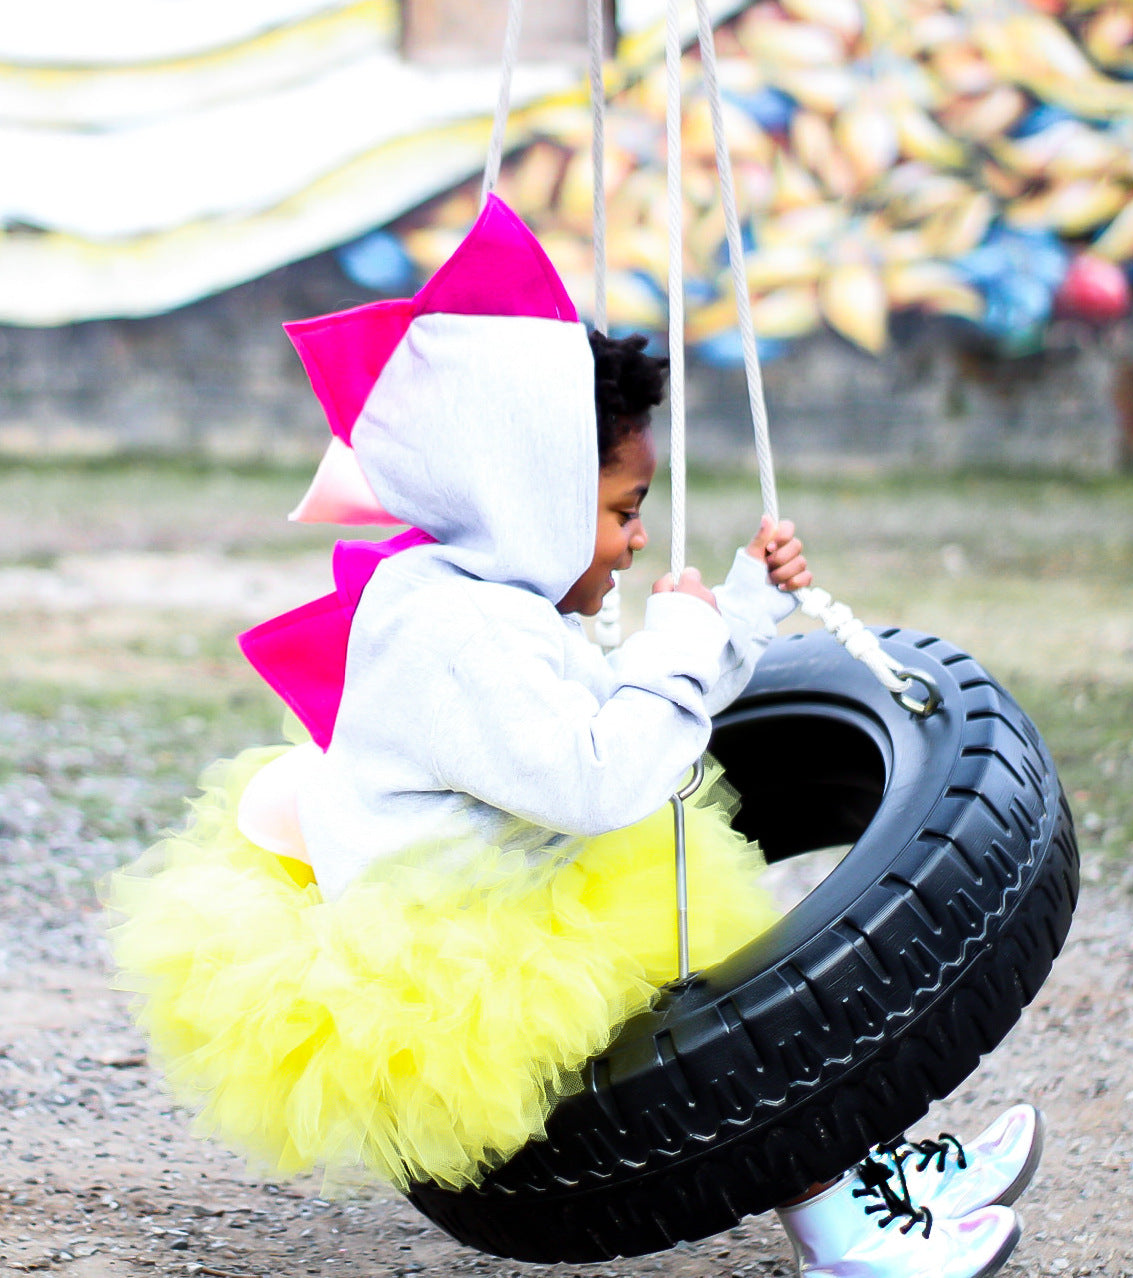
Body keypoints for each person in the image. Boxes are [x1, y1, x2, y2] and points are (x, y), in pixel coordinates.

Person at [107, 197, 1039, 1278]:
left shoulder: (490, 590)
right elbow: (597, 778)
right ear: (530, 496)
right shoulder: (452, 630)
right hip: (458, 951)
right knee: (714, 994)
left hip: (509, 880)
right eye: (623, 510)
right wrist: (680, 641)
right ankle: (843, 1231)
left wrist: (731, 614)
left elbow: (625, 714)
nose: (638, 540)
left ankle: (867, 1165)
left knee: (743, 962)